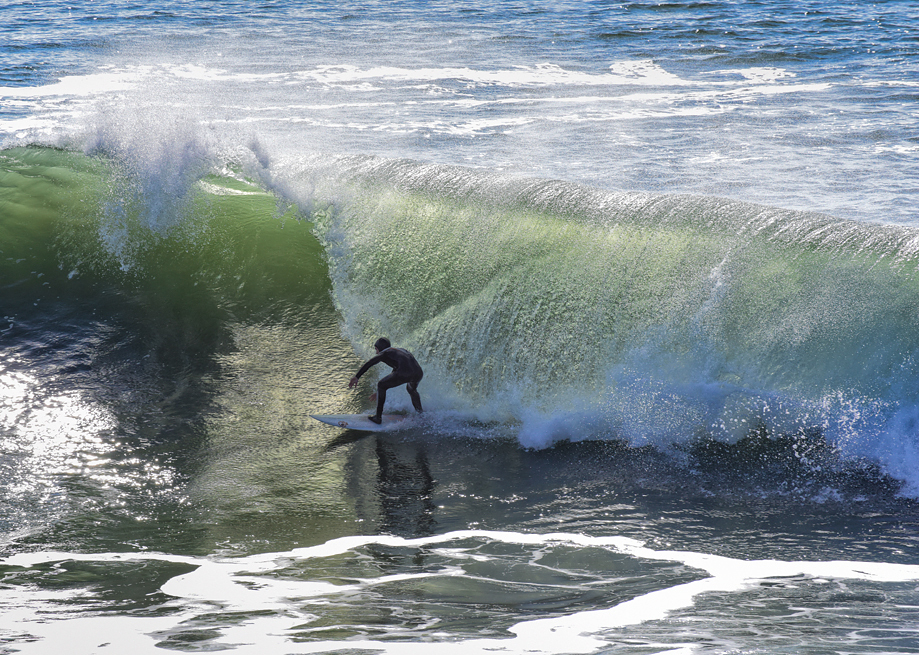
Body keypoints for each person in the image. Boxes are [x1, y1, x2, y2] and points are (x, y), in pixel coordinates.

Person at [349, 337, 424, 424]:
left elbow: (370, 363)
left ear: (380, 348)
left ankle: (378, 417)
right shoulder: (400, 350)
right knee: (411, 390)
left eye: (376, 349)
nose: (376, 352)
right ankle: (420, 414)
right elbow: (398, 369)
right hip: (418, 373)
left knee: (381, 384)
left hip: (405, 372)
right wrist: (379, 392)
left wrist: (357, 377)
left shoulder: (384, 353)